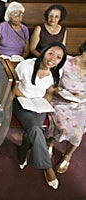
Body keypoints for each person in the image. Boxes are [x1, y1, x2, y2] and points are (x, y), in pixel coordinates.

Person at [13, 42, 67, 190]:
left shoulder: (56, 72)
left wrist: (44, 102)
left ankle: (22, 152)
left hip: (39, 105)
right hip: (21, 102)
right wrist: (25, 99)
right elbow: (13, 85)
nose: (52, 59)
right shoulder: (26, 65)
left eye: (58, 57)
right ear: (44, 52)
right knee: (37, 130)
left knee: (33, 130)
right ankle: (47, 167)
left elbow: (49, 91)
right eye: (50, 53)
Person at [46, 41, 86, 174]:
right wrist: (60, 92)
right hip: (60, 100)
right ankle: (50, 142)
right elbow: (53, 83)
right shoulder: (67, 62)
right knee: (60, 122)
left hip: (80, 104)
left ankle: (68, 154)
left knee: (78, 128)